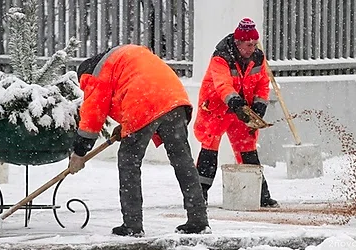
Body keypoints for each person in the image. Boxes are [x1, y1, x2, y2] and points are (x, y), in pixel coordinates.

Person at [68, 44, 211, 237]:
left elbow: (92, 117)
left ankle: (132, 225)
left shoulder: (95, 74)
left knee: (129, 162)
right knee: (183, 161)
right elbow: (131, 87)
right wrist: (126, 125)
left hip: (143, 101)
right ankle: (198, 220)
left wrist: (79, 153)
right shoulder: (126, 56)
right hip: (175, 99)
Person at [193, 17, 279, 208]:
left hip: (242, 109)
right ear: (238, 43)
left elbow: (263, 84)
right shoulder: (221, 57)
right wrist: (235, 102)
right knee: (210, 148)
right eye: (249, 45)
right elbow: (223, 85)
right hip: (216, 108)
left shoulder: (257, 57)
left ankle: (260, 195)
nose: (252, 48)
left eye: (255, 44)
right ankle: (199, 196)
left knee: (247, 148)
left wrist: (259, 106)